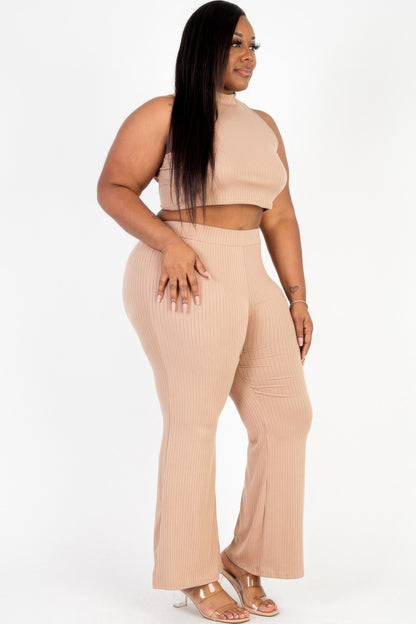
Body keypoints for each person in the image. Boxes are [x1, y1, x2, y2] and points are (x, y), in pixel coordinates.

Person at [97, 1, 314, 621]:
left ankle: (245, 557)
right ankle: (192, 573)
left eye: (254, 46)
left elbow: (280, 214)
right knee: (194, 420)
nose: (249, 57)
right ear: (204, 48)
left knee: (287, 414)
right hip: (184, 266)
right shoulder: (165, 113)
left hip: (250, 269)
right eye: (236, 44)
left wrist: (297, 295)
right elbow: (113, 187)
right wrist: (168, 242)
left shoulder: (265, 125)